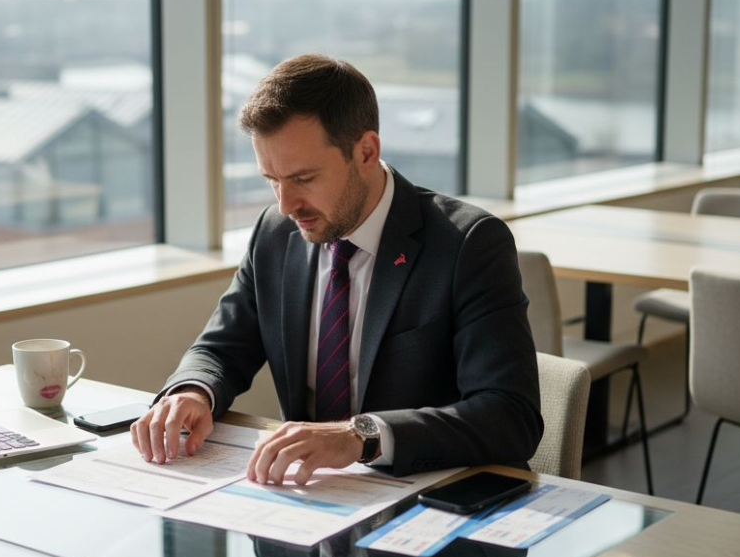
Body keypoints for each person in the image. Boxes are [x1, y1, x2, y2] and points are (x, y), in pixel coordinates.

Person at [130, 54, 541, 483]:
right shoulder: (275, 233)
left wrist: (360, 435)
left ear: (365, 151)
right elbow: (221, 348)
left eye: (304, 179)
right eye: (272, 179)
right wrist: (192, 391)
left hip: (433, 499)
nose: (285, 205)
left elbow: (510, 415)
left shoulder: (467, 243)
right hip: (315, 502)